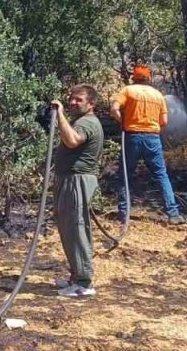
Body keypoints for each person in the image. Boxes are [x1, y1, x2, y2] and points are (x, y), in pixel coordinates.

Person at [49, 84, 104, 298]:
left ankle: (83, 283)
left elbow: (72, 141)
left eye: (78, 100)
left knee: (76, 229)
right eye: (71, 98)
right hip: (70, 180)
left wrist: (60, 114)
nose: (73, 102)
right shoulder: (81, 121)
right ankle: (76, 277)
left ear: (91, 104)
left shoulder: (88, 122)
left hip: (77, 181)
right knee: (69, 229)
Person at [111, 65, 185, 224]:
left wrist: (122, 121)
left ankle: (124, 214)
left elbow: (114, 108)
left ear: (134, 77)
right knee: (161, 175)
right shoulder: (158, 95)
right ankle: (173, 214)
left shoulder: (128, 91)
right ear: (149, 78)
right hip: (152, 138)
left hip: (132, 137)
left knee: (125, 175)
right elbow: (164, 121)